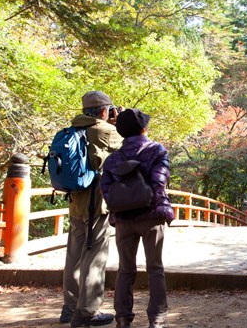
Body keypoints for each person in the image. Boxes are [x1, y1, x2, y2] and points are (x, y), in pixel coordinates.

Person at [100, 109, 174, 328]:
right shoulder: (156, 150)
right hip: (151, 217)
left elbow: (106, 188)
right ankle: (157, 318)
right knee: (155, 268)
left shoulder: (113, 159)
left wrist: (124, 204)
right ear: (144, 128)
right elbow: (159, 183)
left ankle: (123, 317)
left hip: (123, 219)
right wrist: (148, 202)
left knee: (125, 269)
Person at [60, 91, 123, 327]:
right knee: (95, 256)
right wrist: (119, 124)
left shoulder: (73, 129)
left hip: (75, 202)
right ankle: (88, 311)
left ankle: (69, 307)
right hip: (96, 204)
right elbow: (132, 144)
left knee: (74, 256)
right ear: (104, 111)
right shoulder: (105, 131)